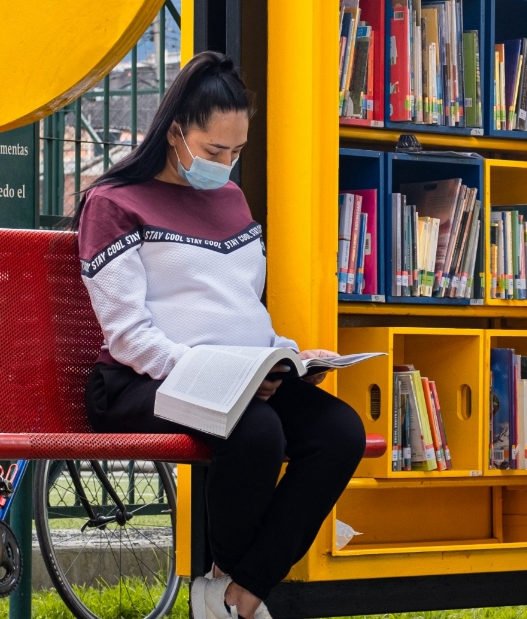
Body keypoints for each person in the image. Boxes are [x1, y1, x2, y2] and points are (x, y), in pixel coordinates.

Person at [77, 51, 364, 619]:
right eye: (214, 151)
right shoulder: (112, 204)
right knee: (256, 431)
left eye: (237, 152)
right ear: (177, 131)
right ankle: (236, 586)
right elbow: (129, 334)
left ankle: (237, 593)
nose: (226, 165)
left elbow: (238, 308)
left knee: (339, 430)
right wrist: (214, 376)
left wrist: (285, 357)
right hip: (143, 381)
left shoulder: (230, 200)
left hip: (238, 378)